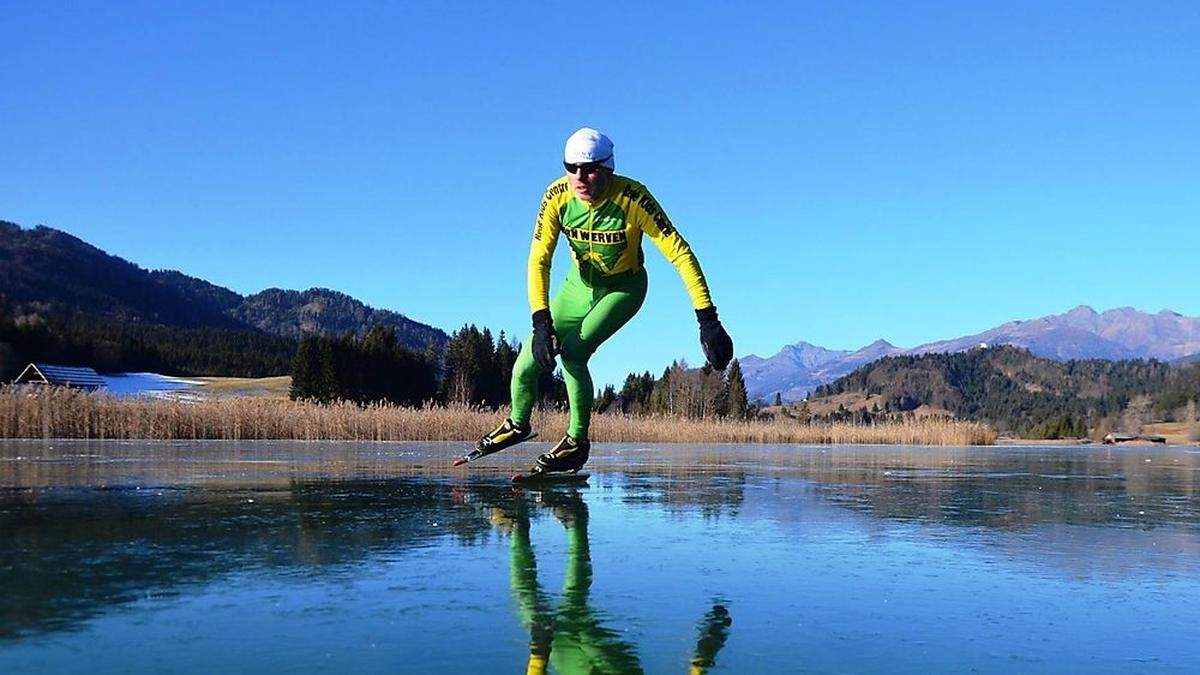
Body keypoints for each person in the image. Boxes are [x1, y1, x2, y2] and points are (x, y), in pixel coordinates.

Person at [476, 127, 733, 474]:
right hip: (577, 286)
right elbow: (539, 259)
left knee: (574, 353)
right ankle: (517, 424)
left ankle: (576, 441)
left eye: (590, 168)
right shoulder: (556, 196)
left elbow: (679, 253)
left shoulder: (633, 197)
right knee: (525, 364)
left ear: (608, 168)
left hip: (624, 289)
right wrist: (540, 323)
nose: (580, 177)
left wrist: (707, 319)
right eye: (572, 168)